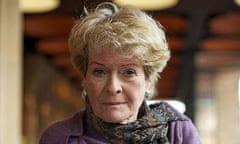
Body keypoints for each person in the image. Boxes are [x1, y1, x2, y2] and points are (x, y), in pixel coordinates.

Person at [39, 2, 201, 144]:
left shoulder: (177, 133)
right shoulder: (60, 138)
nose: (113, 87)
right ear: (85, 78)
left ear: (148, 80)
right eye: (99, 72)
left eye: (129, 72)